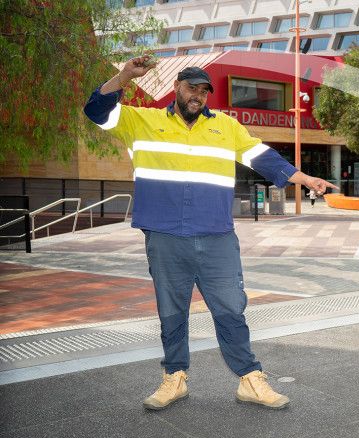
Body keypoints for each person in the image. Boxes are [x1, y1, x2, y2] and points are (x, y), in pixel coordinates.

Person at [84, 56, 338, 411]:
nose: (198, 96)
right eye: (192, 88)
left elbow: (265, 159)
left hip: (216, 236)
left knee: (231, 308)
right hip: (165, 235)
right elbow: (96, 110)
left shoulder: (226, 127)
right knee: (171, 311)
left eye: (204, 91)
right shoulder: (142, 120)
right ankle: (174, 377)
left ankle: (250, 379)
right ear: (177, 89)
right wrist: (125, 74)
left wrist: (307, 179)